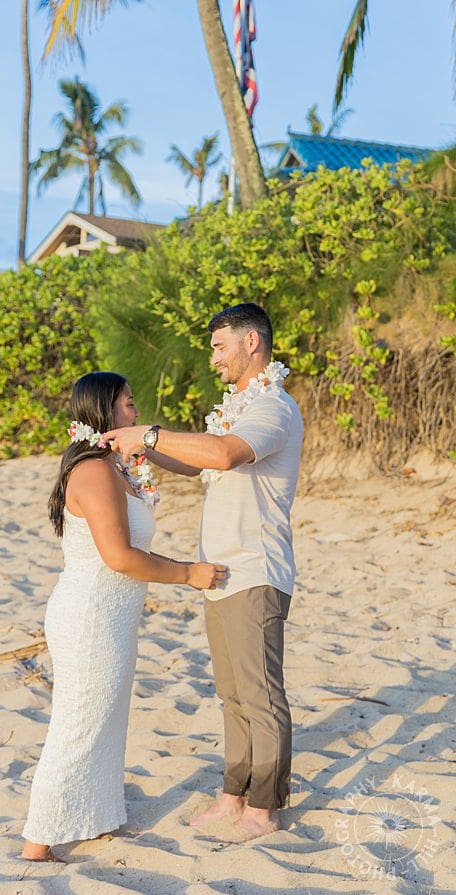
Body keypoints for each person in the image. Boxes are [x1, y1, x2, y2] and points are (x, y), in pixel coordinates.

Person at [103, 302, 302, 843]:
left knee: (260, 695)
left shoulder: (274, 407)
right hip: (221, 572)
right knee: (232, 694)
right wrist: (139, 447)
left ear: (251, 343)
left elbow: (224, 453)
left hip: (256, 568)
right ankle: (233, 795)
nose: (212, 357)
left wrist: (149, 435)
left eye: (219, 346)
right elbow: (197, 461)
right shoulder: (240, 406)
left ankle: (265, 807)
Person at [21, 371, 227, 863]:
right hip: (90, 615)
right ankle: (36, 845)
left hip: (112, 614)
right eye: (129, 403)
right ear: (105, 411)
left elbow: (190, 467)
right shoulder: (93, 472)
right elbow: (119, 557)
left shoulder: (117, 465)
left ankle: (92, 816)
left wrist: (154, 442)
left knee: (105, 719)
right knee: (78, 724)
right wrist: (188, 573)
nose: (136, 410)